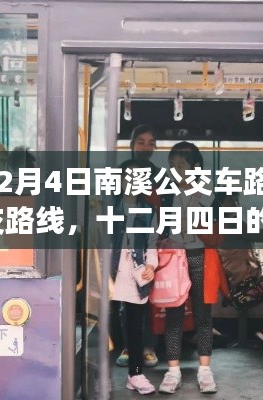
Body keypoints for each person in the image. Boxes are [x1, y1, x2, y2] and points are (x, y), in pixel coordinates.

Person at [157, 141, 218, 394]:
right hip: (174, 261)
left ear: (196, 167)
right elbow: (160, 229)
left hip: (200, 256)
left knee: (203, 314)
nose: (175, 171)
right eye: (172, 166)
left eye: (181, 166)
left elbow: (216, 232)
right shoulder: (166, 194)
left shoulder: (209, 195)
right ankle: (173, 371)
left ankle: (205, 370)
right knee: (174, 315)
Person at [110, 158, 159, 395]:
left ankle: (135, 374)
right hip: (110, 272)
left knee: (135, 326)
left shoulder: (149, 212)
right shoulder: (108, 207)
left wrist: (151, 265)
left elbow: (152, 245)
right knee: (106, 323)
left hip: (135, 274)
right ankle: (97, 374)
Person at [116, 125, 160, 369]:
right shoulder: (120, 174)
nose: (146, 146)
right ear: (132, 144)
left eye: (150, 142)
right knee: (123, 304)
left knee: (147, 301)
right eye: (141, 141)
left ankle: (148, 347)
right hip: (121, 252)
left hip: (148, 245)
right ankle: (128, 346)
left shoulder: (159, 175)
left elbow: (165, 209)